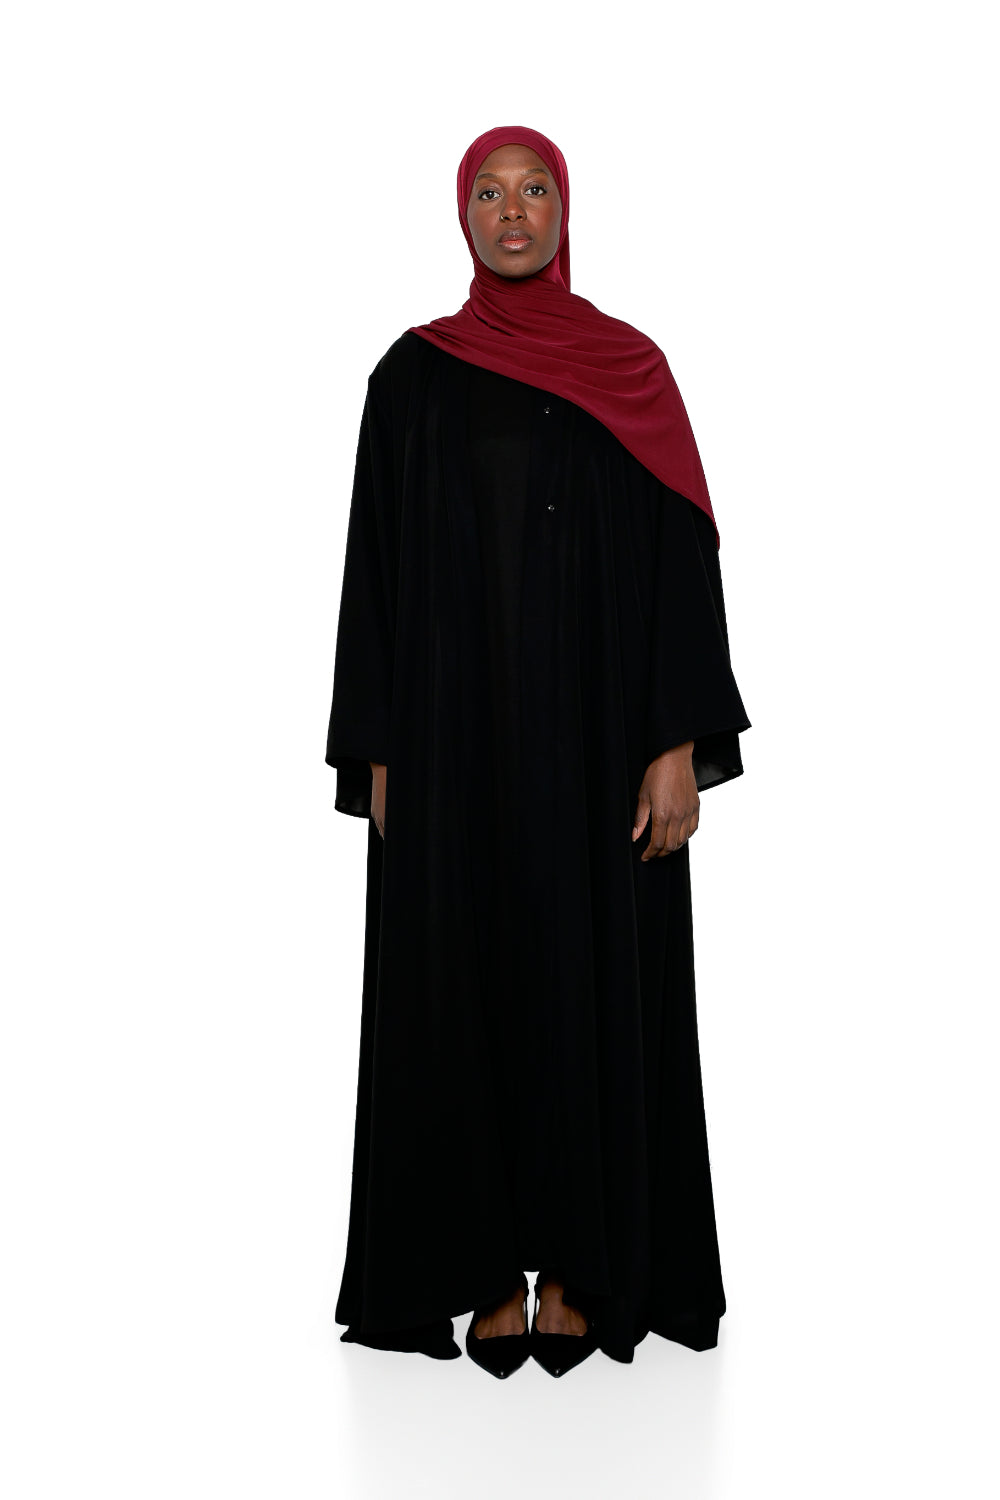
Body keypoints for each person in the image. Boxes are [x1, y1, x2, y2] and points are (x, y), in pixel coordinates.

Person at [324, 125, 751, 1379]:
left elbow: (679, 561)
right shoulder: (410, 377)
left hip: (596, 752)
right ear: (462, 216)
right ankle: (474, 1272)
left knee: (583, 985)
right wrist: (377, 750)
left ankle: (575, 1267)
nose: (512, 211)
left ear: (566, 210)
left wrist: (673, 742)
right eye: (489, 193)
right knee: (455, 992)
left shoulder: (630, 368)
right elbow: (373, 574)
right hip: (450, 750)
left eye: (535, 190)